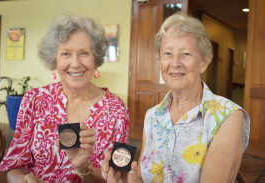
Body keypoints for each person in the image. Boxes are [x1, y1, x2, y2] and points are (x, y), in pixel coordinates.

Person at [101, 12, 250, 183]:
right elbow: (143, 177)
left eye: (186, 53)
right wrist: (126, 178)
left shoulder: (227, 116)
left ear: (204, 62)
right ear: (160, 62)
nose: (175, 62)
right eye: (168, 53)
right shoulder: (153, 116)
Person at [0, 14, 129, 183]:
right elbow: (13, 166)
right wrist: (23, 180)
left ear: (96, 59)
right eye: (66, 54)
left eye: (83, 53)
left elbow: (120, 177)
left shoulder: (117, 109)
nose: (75, 63)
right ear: (54, 61)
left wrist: (84, 168)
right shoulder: (34, 100)